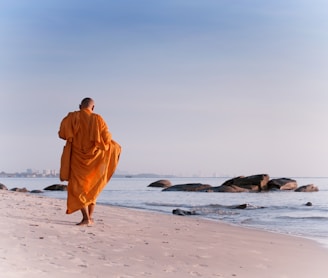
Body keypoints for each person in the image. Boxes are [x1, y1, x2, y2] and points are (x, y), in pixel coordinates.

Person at [58, 97, 121, 226]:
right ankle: (89, 218)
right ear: (92, 108)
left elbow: (62, 134)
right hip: (94, 161)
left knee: (77, 188)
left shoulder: (71, 117)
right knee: (91, 187)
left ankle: (86, 218)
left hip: (77, 159)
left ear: (80, 106)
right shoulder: (97, 119)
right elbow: (106, 139)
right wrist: (114, 148)